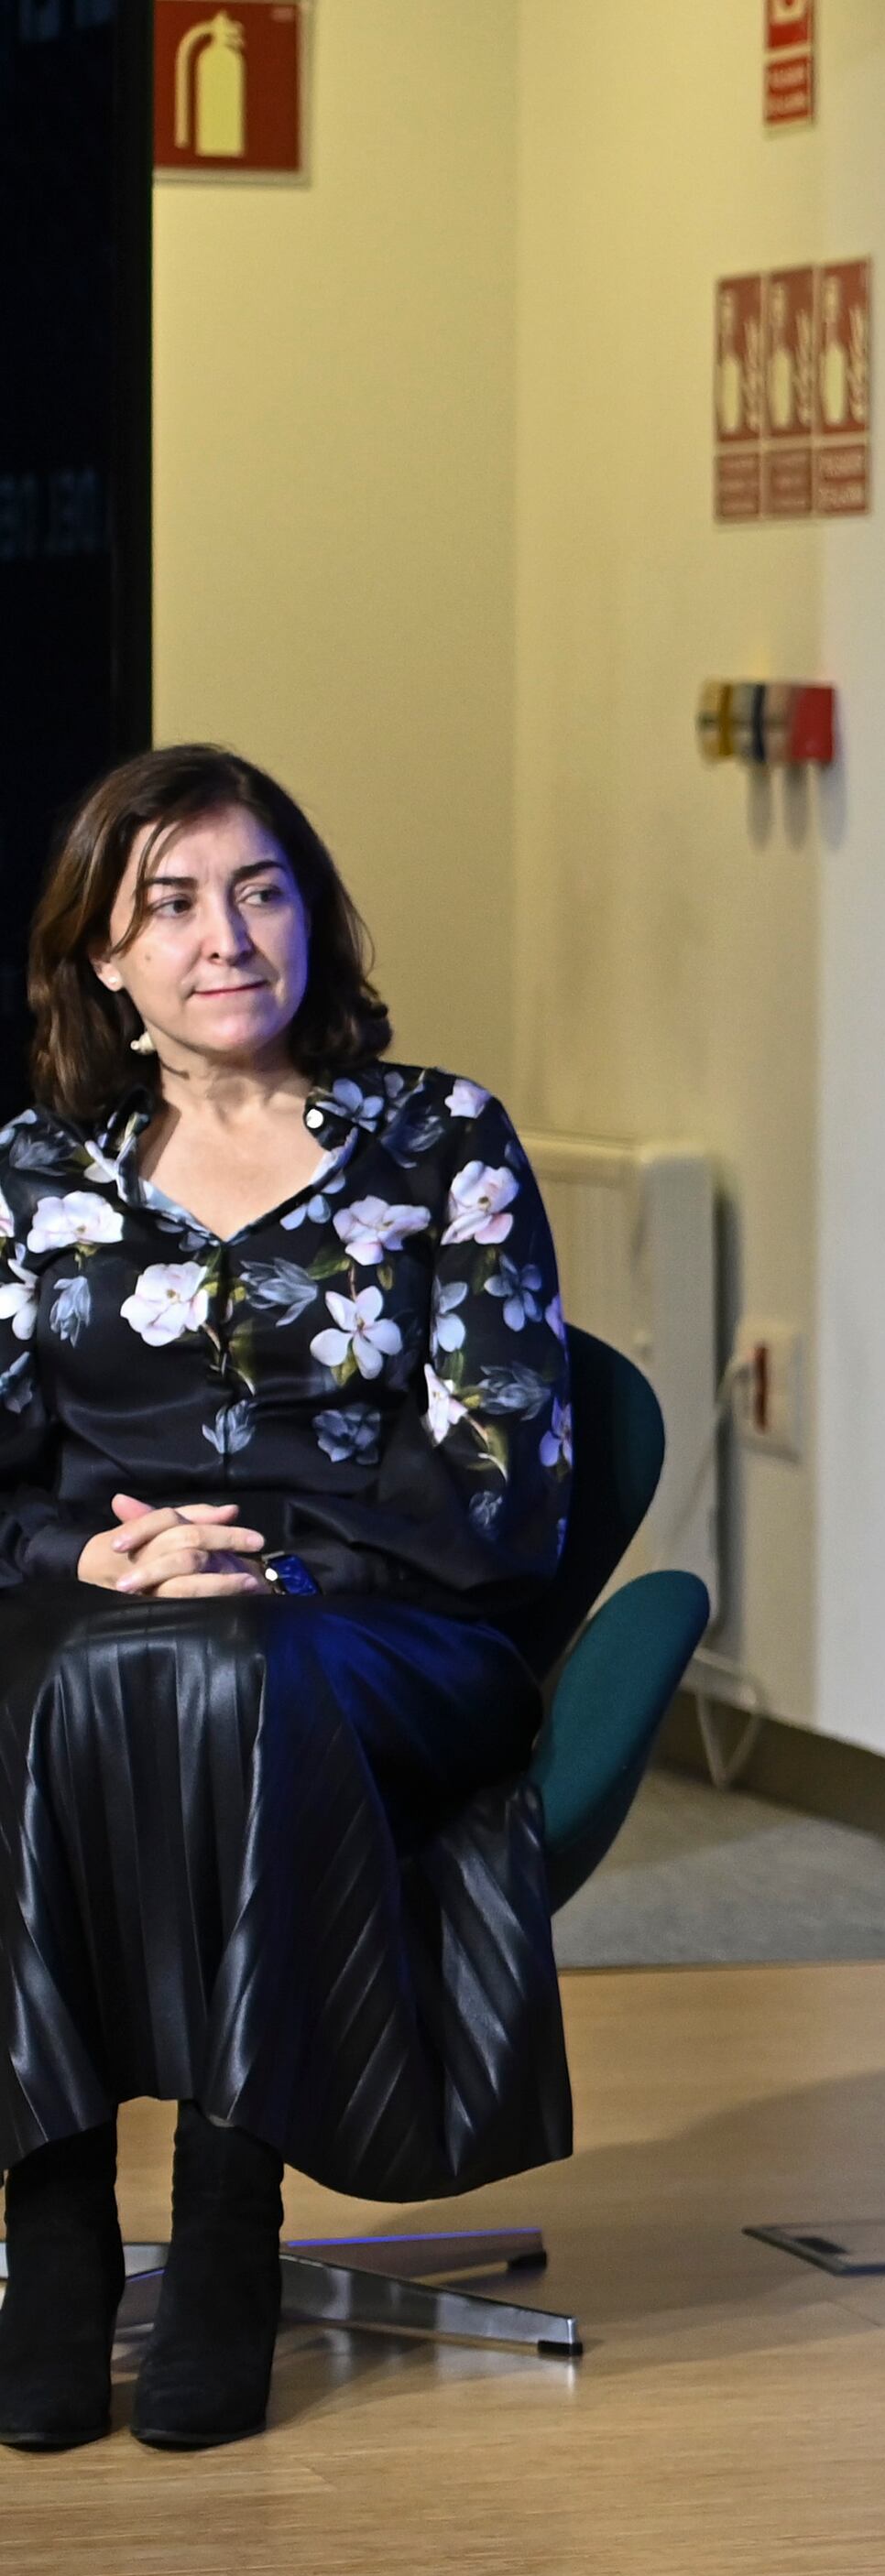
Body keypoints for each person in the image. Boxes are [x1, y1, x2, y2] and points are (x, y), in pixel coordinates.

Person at [0, 745, 578, 2457]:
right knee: (73, 1672)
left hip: (386, 1626)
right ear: (104, 957)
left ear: (312, 918)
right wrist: (92, 1555)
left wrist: (283, 1561)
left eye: (259, 891)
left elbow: (505, 1482)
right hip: (111, 1621)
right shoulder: (39, 1174)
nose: (223, 936)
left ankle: (230, 2210)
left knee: (235, 1663)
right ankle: (55, 2219)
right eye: (167, 904)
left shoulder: (442, 1142)